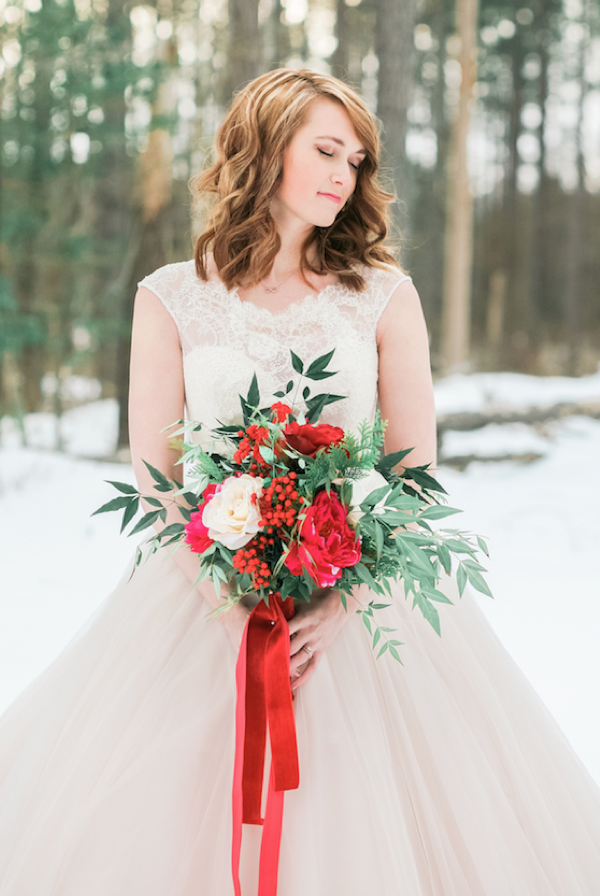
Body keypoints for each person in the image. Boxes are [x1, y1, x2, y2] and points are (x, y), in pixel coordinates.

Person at [0, 67, 599, 896]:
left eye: (355, 160)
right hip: (200, 600)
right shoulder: (171, 297)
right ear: (263, 147)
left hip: (361, 610)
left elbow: (414, 472)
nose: (342, 176)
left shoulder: (383, 297)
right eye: (324, 150)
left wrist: (342, 603)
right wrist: (228, 597)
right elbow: (153, 475)